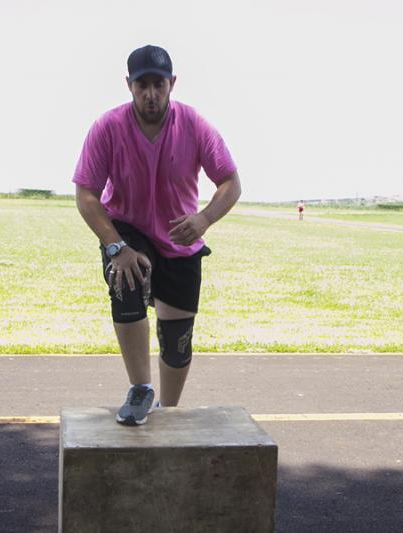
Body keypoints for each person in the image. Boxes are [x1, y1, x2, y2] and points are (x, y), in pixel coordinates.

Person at [73, 45, 242, 426]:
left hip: (180, 236)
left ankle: (169, 410)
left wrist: (204, 219)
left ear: (172, 84)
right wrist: (115, 246)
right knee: (126, 279)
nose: (151, 94)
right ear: (129, 85)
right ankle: (140, 388)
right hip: (128, 230)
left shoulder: (194, 125)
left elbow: (231, 182)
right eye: (142, 85)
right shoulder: (108, 127)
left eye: (159, 85)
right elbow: (86, 194)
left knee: (177, 340)